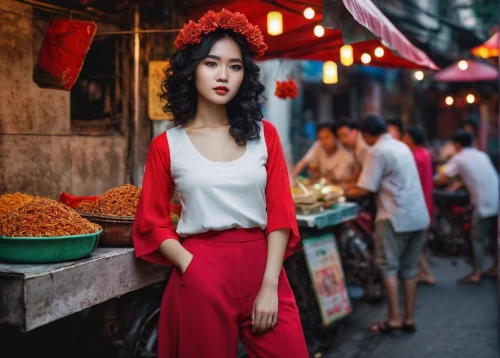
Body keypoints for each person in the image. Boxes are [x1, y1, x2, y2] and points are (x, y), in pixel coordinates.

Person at [132, 10, 308, 358]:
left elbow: (280, 213)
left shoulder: (265, 136)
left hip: (263, 268)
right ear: (192, 69)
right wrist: (190, 265)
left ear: (245, 74)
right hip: (201, 271)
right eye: (212, 63)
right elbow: (152, 222)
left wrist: (271, 283)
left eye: (235, 66)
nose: (223, 75)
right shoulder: (167, 145)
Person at [346, 115, 430, 334]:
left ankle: (393, 320)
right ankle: (408, 319)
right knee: (409, 270)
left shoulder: (377, 151)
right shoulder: (401, 146)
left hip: (394, 216)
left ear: (366, 134)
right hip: (418, 215)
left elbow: (366, 188)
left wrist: (343, 192)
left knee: (388, 267)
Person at [435, 130, 499, 284]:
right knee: (492, 238)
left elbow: (441, 179)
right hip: (496, 199)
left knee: (477, 238)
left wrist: (439, 178)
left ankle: (476, 272)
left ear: (457, 145)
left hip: (483, 204)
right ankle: (495, 268)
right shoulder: (481, 154)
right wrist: (460, 182)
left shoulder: (459, 157)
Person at [403, 126, 435, 285]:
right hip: (426, 203)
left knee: (417, 243)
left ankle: (425, 274)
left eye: (406, 136)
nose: (403, 139)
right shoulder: (424, 153)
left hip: (419, 204)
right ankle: (424, 273)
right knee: (420, 242)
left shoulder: (415, 157)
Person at [335, 119, 370, 183]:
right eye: (340, 137)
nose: (343, 140)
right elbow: (357, 172)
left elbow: (367, 178)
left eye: (345, 135)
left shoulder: (362, 147)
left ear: (354, 132)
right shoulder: (354, 146)